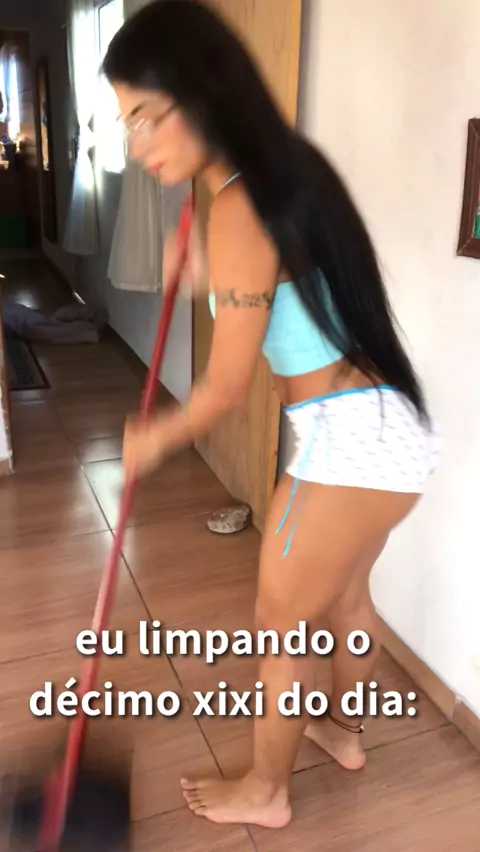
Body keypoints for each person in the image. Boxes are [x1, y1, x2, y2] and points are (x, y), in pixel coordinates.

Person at [102, 0, 440, 830]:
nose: (137, 145)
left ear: (200, 93)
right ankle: (345, 732)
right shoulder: (288, 174)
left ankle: (266, 788)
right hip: (392, 433)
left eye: (145, 117)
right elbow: (287, 297)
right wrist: (204, 271)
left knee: (280, 622)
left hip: (343, 443)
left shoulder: (240, 205)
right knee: (346, 599)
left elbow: (223, 388)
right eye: (126, 123)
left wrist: (154, 438)